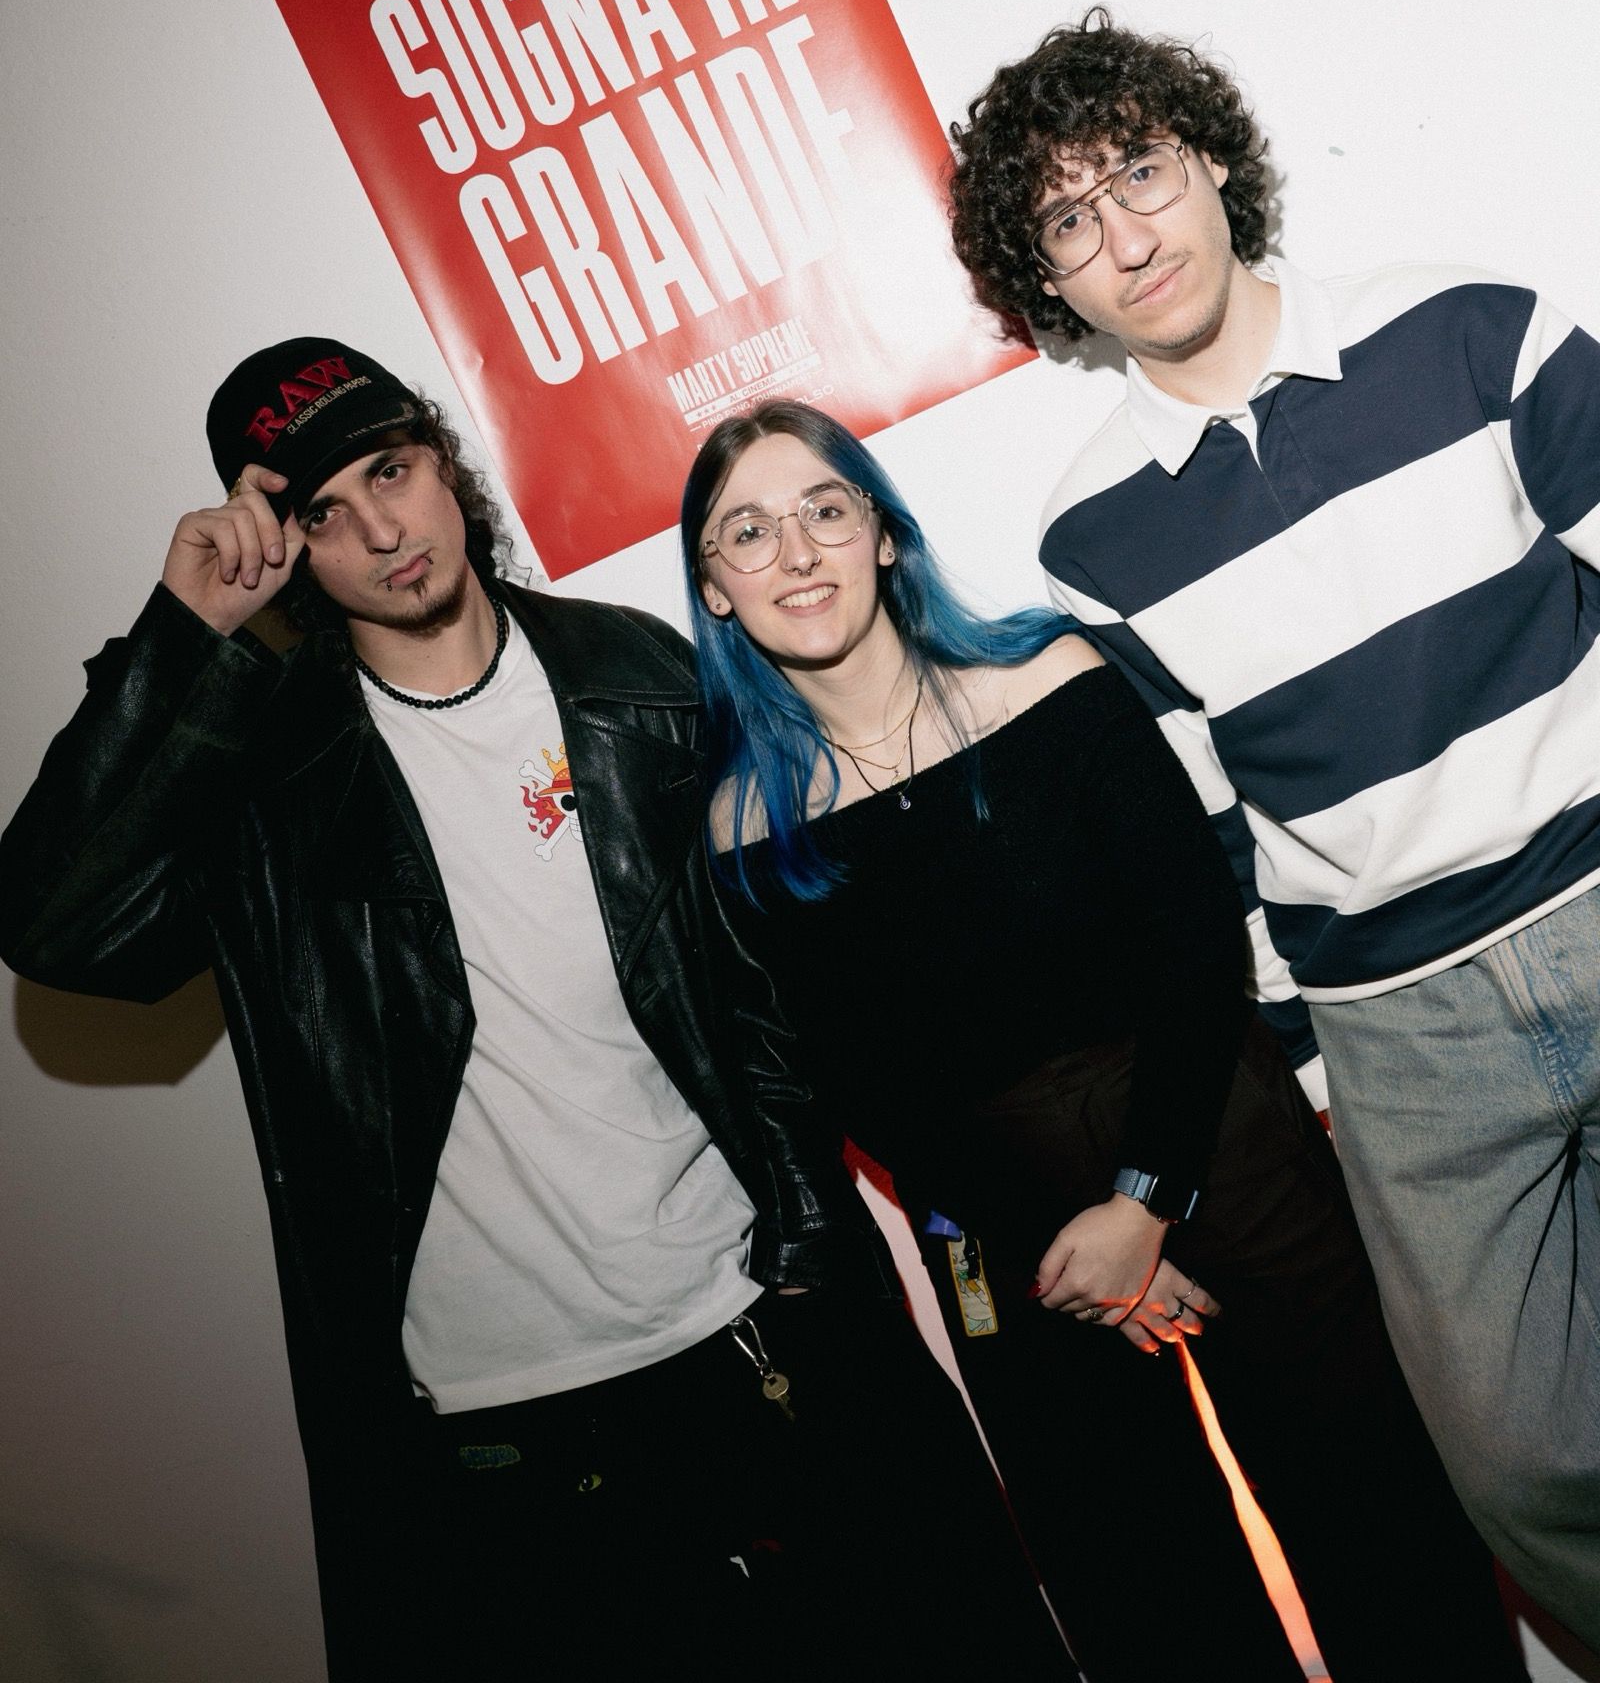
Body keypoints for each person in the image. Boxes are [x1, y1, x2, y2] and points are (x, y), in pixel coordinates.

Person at [0, 340, 1070, 1681]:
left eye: (391, 470)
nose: (381, 528)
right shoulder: (269, 774)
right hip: (500, 1412)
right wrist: (178, 637)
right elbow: (58, 931)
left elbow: (776, 986)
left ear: (444, 463)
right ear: (287, 547)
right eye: (324, 509)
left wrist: (809, 1232)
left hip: (748, 1320)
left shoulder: (636, 677)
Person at [680, 397, 1528, 1683]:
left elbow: (1192, 943)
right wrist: (1082, 1250)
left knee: (1382, 1526)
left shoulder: (1049, 677)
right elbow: (861, 1084)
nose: (795, 552)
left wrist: (1144, 1200)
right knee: (1144, 1589)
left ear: (884, 535)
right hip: (1004, 1226)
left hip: (1209, 1134)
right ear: (715, 586)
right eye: (748, 531)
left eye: (824, 510)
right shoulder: (743, 823)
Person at [946, 9, 1600, 1652]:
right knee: (1519, 1462)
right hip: (1404, 1034)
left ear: (1213, 163)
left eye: (1139, 172)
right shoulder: (1090, 539)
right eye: (1068, 220)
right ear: (1047, 282)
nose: (1125, 235)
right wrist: (1309, 1069)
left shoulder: (1473, 329)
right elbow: (1210, 833)